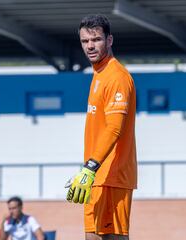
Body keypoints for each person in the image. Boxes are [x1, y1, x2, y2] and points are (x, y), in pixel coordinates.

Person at [65, 14, 137, 240]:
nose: (90, 46)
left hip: (112, 176)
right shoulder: (98, 74)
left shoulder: (117, 77)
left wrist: (90, 166)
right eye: (85, 41)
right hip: (96, 177)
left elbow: (114, 128)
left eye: (96, 39)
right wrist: (89, 170)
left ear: (110, 40)